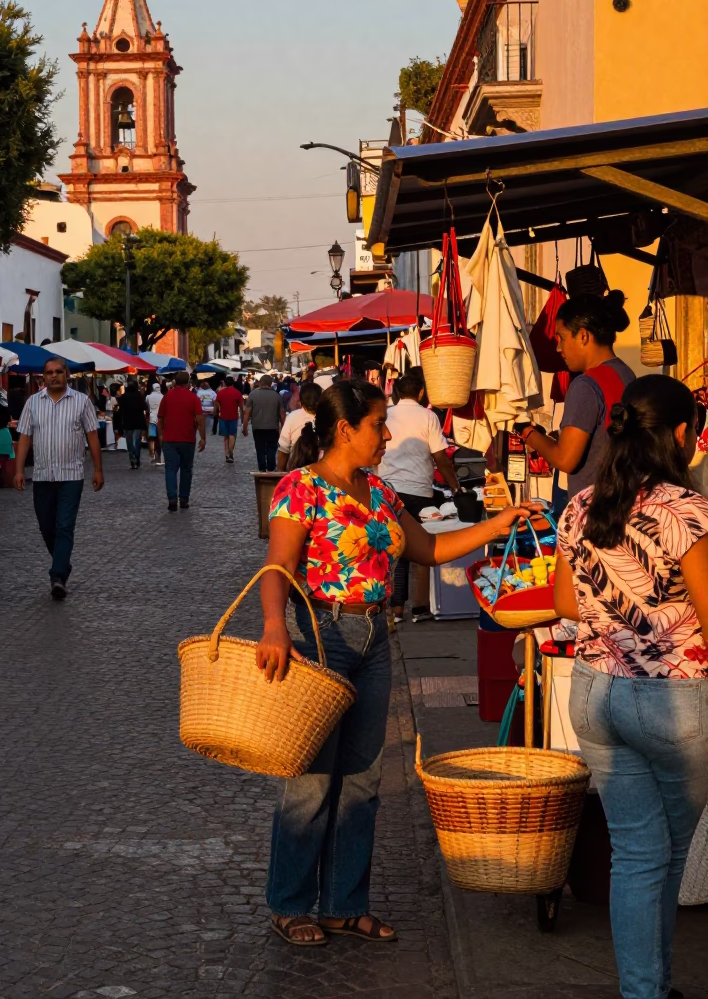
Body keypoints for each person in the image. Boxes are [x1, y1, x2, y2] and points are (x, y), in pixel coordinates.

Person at [258, 380, 536, 946]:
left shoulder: (380, 492)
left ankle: (343, 903)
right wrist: (272, 628)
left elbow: (429, 550)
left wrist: (494, 526)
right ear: (344, 430)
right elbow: (278, 566)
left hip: (375, 639)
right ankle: (290, 904)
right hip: (321, 636)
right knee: (312, 780)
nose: (387, 435)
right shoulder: (300, 488)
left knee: (362, 780)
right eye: (378, 425)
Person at [555, 374, 708, 999]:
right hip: (672, 702)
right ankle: (648, 991)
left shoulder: (581, 504)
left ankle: (649, 988)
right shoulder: (687, 511)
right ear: (680, 435)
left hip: (594, 695)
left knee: (637, 854)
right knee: (659, 856)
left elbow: (565, 601)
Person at [522, 290, 635, 499]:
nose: (558, 348)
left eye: (562, 338)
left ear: (583, 336)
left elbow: (565, 459)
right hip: (622, 501)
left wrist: (530, 435)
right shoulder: (626, 373)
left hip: (593, 511)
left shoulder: (586, 384)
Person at [377, 367, 464, 624]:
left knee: (395, 548)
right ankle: (420, 607)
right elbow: (440, 456)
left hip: (388, 490)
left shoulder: (386, 415)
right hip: (419, 491)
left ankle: (396, 609)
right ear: (422, 392)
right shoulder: (428, 417)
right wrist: (455, 486)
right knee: (423, 549)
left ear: (397, 393)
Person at [13, 357, 103, 600]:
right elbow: (24, 438)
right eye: (49, 372)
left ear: (67, 375)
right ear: (43, 376)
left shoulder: (82, 402)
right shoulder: (33, 402)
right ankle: (63, 563)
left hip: (71, 475)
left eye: (58, 372)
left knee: (64, 525)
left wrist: (98, 469)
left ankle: (57, 575)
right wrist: (19, 470)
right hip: (42, 476)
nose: (53, 376)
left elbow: (92, 436)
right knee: (46, 526)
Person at [157, 370, 206, 511]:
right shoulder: (193, 398)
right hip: (187, 439)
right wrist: (203, 438)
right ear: (188, 383)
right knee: (186, 469)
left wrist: (160, 435)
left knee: (170, 470)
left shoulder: (167, 397)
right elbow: (200, 419)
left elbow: (160, 418)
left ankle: (172, 498)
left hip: (169, 439)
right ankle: (184, 499)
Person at [243, 374, 285, 472]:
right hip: (272, 428)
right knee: (271, 449)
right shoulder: (277, 396)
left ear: (260, 382)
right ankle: (271, 469)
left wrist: (244, 427)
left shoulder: (253, 394)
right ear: (271, 383)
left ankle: (262, 470)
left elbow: (246, 414)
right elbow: (282, 414)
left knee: (260, 449)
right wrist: (283, 428)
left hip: (257, 428)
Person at [276, 381, 322, 471]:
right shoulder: (329, 417)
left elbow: (284, 450)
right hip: (322, 474)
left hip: (296, 472)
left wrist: (280, 474)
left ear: (301, 401)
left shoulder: (293, 417)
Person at [118, 380, 147, 469]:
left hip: (127, 422)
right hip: (138, 422)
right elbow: (145, 407)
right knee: (137, 441)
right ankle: (137, 456)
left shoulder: (123, 397)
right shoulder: (139, 396)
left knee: (129, 442)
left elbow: (121, 409)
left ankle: (132, 459)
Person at [215, 376, 245, 463]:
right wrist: (243, 419)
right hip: (233, 417)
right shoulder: (237, 393)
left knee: (226, 437)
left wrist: (216, 413)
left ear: (225, 383)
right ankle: (231, 453)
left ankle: (227, 454)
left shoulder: (220, 392)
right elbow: (241, 407)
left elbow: (217, 404)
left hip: (223, 417)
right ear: (233, 383)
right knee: (232, 435)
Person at [145, 379, 164, 464]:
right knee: (161, 437)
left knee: (152, 438)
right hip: (161, 419)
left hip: (152, 419)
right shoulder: (163, 396)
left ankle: (154, 455)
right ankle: (161, 456)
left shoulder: (148, 397)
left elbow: (148, 408)